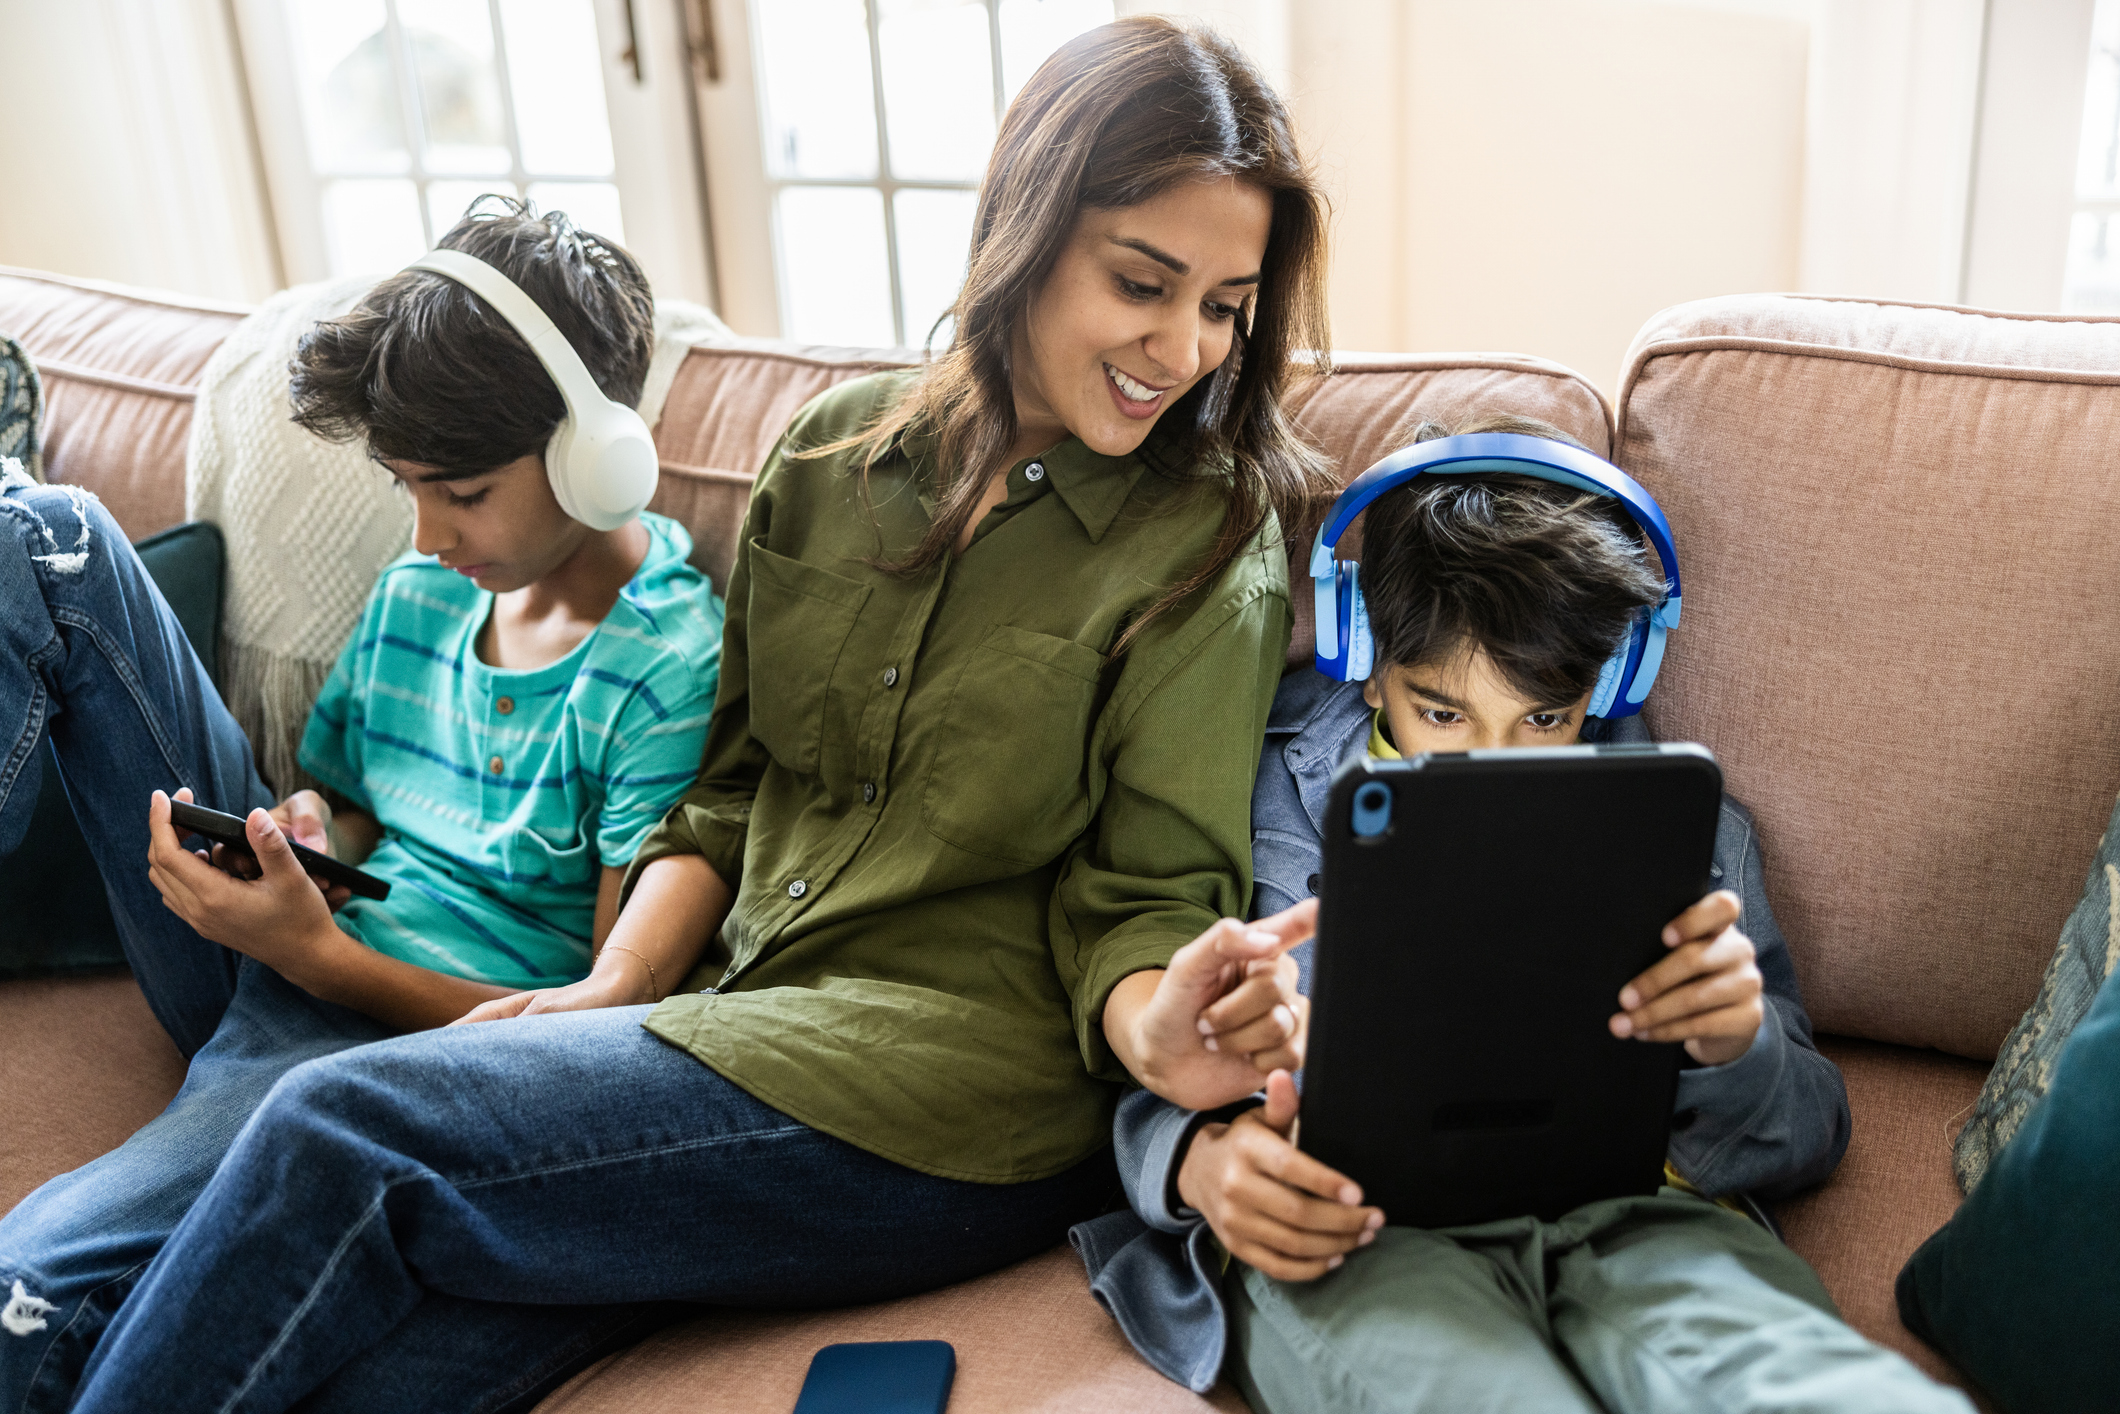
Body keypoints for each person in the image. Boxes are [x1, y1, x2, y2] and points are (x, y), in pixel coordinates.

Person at [42, 20, 1334, 1413]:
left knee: (339, 1123)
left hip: (955, 1107)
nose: (1183, 346)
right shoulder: (831, 455)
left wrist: (1161, 1037)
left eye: (1225, 304)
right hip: (730, 1033)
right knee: (358, 1369)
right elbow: (728, 789)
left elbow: (1147, 895)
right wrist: (609, 996)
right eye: (1144, 282)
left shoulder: (1209, 539)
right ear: (1025, 225)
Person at [1073, 415, 1978, 1413]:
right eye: (1442, 711)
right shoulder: (1250, 787)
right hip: (1360, 1228)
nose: (1490, 762)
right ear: (1362, 653)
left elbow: (1809, 1122)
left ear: (1610, 679)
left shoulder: (1687, 830)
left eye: (1542, 717)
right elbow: (1156, 1036)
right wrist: (1199, 1160)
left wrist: (1733, 1043)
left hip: (1648, 1224)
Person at [0, 202, 726, 1410]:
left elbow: (586, 1040)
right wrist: (302, 838)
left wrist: (323, 961)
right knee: (49, 540)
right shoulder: (419, 590)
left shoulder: (661, 670)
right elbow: (343, 795)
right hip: (290, 950)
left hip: (390, 1049)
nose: (427, 533)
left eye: (461, 493)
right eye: (406, 491)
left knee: (23, 1294)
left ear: (593, 455)